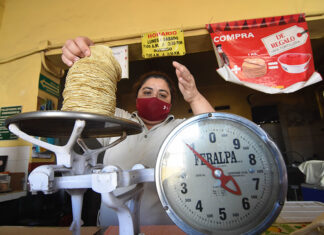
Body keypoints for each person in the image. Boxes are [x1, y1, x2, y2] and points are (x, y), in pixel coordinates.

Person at [61, 36, 215, 226]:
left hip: (162, 229)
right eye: (147, 92)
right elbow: (82, 107)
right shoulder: (116, 120)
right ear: (136, 99)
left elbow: (212, 132)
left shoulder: (179, 130)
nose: (154, 98)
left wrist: (193, 96)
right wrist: (86, 55)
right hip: (112, 228)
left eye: (162, 94)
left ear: (170, 103)